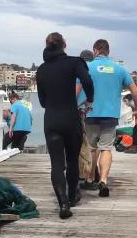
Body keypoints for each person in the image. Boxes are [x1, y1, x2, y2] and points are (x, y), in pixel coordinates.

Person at [36, 32, 94, 219]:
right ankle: (73, 194)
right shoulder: (74, 63)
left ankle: (63, 204)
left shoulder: (42, 70)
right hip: (70, 118)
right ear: (64, 45)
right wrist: (90, 99)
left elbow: (43, 101)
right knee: (71, 159)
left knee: (56, 163)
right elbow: (87, 80)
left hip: (51, 120)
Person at [79, 39, 137, 197]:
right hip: (111, 115)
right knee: (106, 148)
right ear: (108, 51)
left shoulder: (87, 67)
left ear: (95, 51)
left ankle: (91, 179)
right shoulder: (120, 69)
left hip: (91, 113)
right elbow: (135, 92)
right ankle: (104, 181)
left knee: (92, 148)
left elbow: (77, 89)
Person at [76, 50, 94, 183]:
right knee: (94, 146)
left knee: (81, 145)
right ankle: (93, 175)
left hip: (81, 112)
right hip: (95, 111)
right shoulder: (95, 70)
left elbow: (76, 91)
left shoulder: (80, 70)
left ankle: (82, 175)